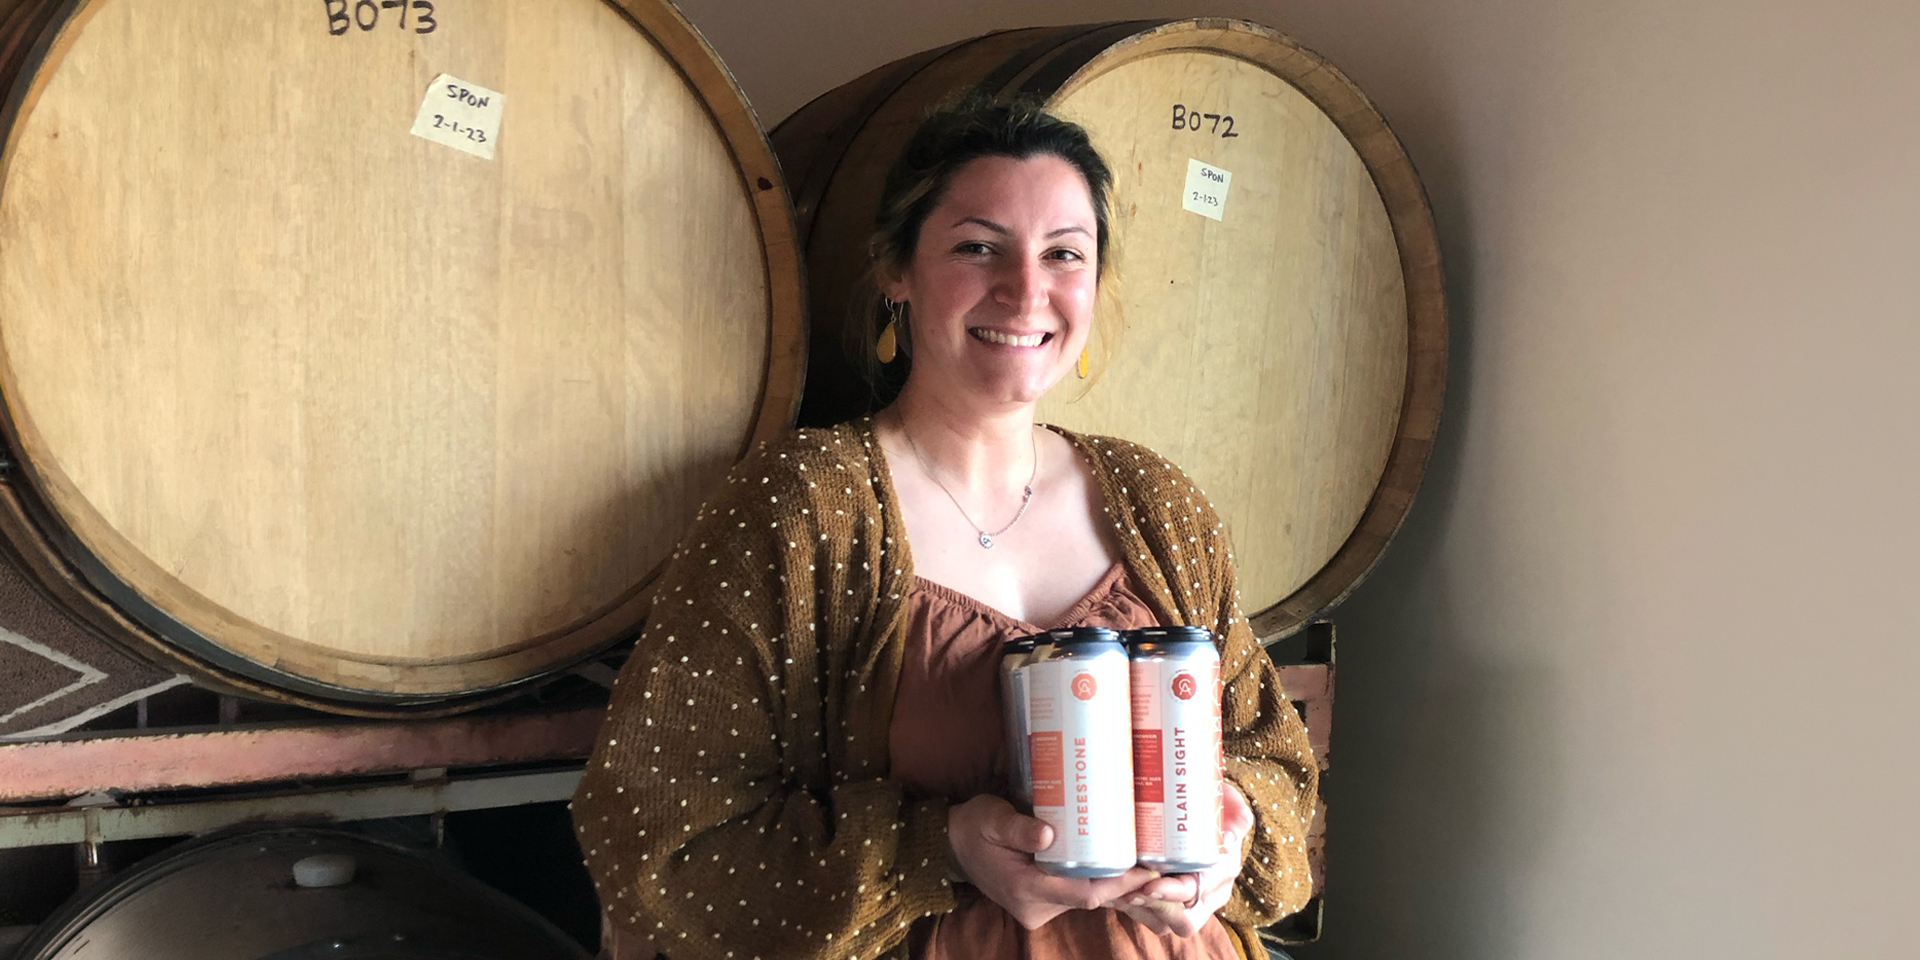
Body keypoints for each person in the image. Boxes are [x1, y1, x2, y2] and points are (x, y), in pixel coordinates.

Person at [573, 98, 1318, 960]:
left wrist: (1227, 840)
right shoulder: (801, 504)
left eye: (1064, 254)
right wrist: (942, 848)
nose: (1025, 290)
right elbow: (655, 832)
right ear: (897, 270)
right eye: (978, 247)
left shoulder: (1155, 501)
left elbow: (1277, 767)